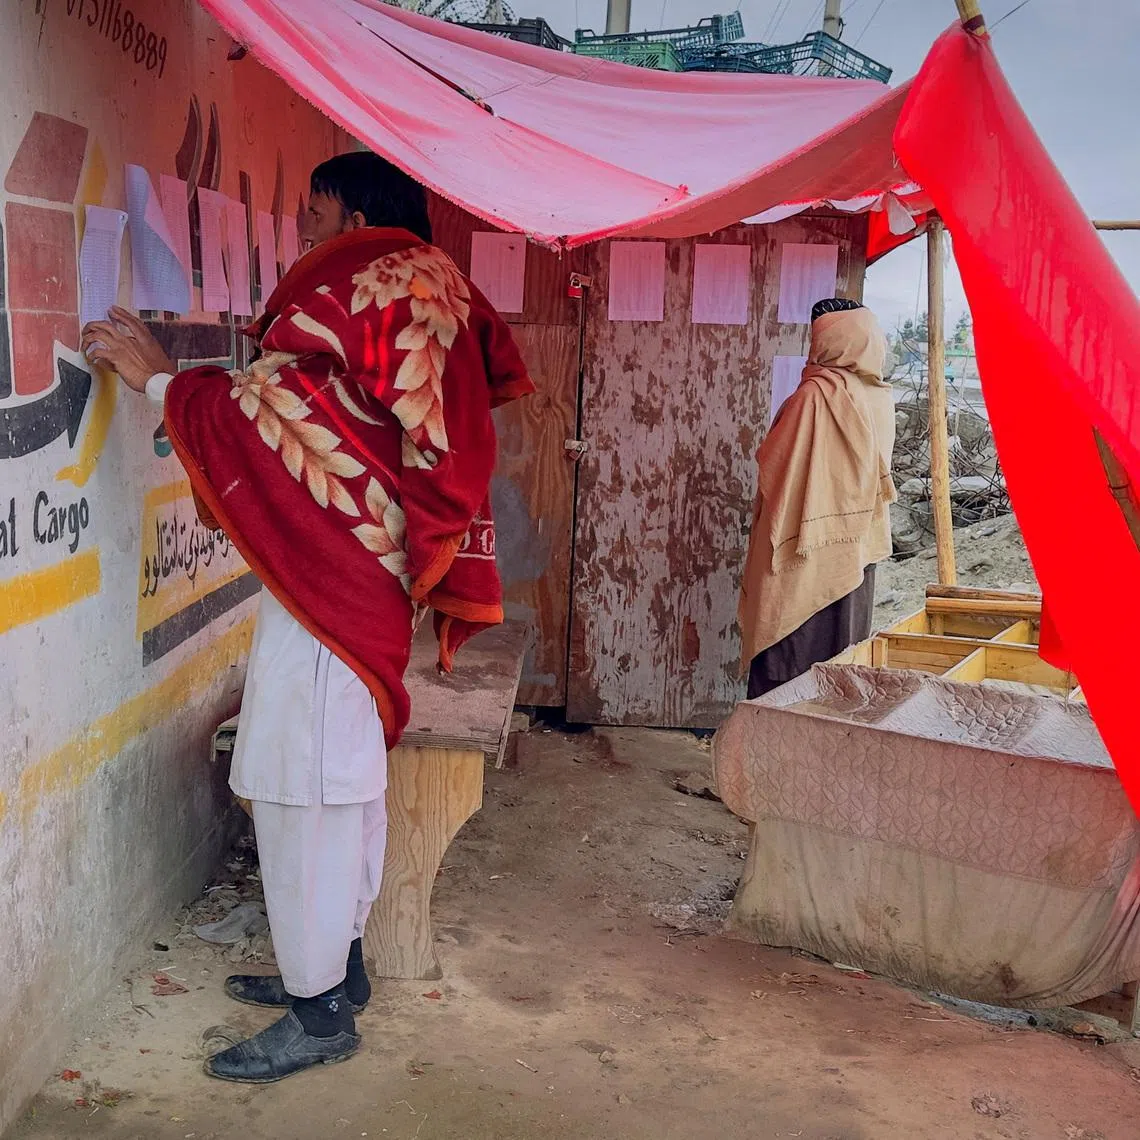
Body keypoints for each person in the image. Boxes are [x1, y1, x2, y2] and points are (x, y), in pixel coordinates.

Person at [81, 152, 533, 1083]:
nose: (306, 239)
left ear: (359, 218)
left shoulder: (374, 291)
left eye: (315, 216)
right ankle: (338, 971)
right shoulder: (422, 294)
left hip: (335, 592)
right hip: (353, 585)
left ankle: (321, 1011)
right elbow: (323, 422)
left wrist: (164, 383)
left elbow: (275, 424)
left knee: (306, 787)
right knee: (340, 784)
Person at [738, 298, 896, 699]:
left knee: (788, 659)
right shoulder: (880, 397)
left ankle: (778, 750)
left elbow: (776, 469)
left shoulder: (814, 396)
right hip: (855, 552)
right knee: (841, 660)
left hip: (803, 553)